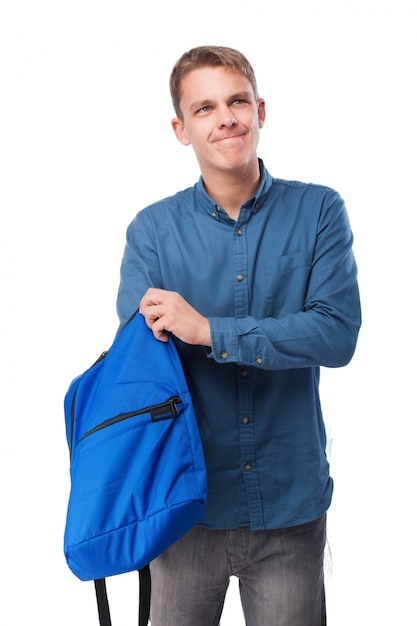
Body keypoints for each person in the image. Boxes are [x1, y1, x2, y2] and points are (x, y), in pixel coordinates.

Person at [116, 45, 361, 626]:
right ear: (181, 129)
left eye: (236, 101)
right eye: (204, 108)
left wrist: (206, 329)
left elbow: (336, 334)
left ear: (260, 110)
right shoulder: (152, 231)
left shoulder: (320, 211)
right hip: (185, 508)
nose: (225, 117)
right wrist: (271, 334)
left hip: (289, 507)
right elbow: (142, 360)